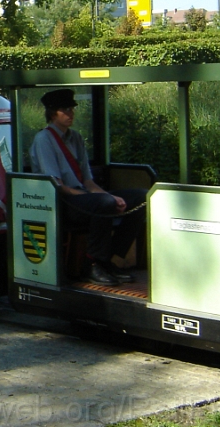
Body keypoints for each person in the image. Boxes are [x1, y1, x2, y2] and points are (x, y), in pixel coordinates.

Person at [29, 89, 145, 286]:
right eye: (65, 110)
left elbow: (89, 182)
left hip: (84, 197)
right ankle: (91, 264)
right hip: (63, 202)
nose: (71, 114)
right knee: (104, 203)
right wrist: (98, 199)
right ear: (52, 113)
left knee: (141, 198)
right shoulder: (44, 140)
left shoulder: (75, 138)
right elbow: (57, 186)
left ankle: (110, 258)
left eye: (72, 109)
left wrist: (110, 197)